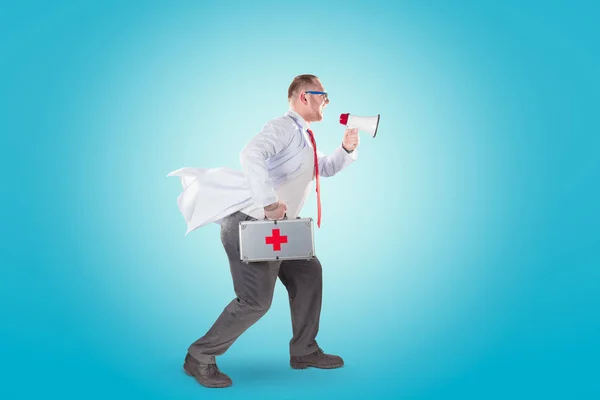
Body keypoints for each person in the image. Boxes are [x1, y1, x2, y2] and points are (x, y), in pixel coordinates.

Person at [168, 74, 360, 388]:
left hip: (280, 230)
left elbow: (323, 168)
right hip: (254, 224)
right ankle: (199, 356)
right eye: (322, 94)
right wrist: (269, 202)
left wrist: (346, 149)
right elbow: (250, 154)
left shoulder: (306, 136)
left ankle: (304, 350)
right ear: (303, 96)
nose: (327, 100)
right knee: (255, 301)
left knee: (309, 273)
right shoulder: (283, 127)